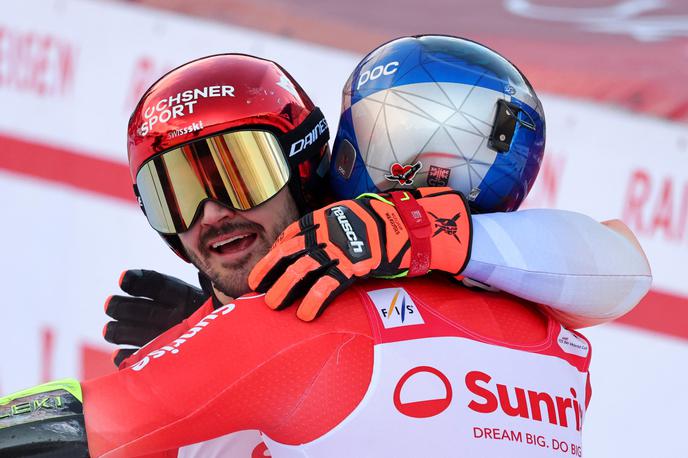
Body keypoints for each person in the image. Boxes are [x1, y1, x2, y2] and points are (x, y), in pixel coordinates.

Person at [0, 38, 650, 457]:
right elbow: (619, 269)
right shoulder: (560, 339)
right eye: (175, 194)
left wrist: (223, 348)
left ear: (314, 163)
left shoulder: (284, 332)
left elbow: (64, 430)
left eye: (239, 171)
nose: (213, 211)